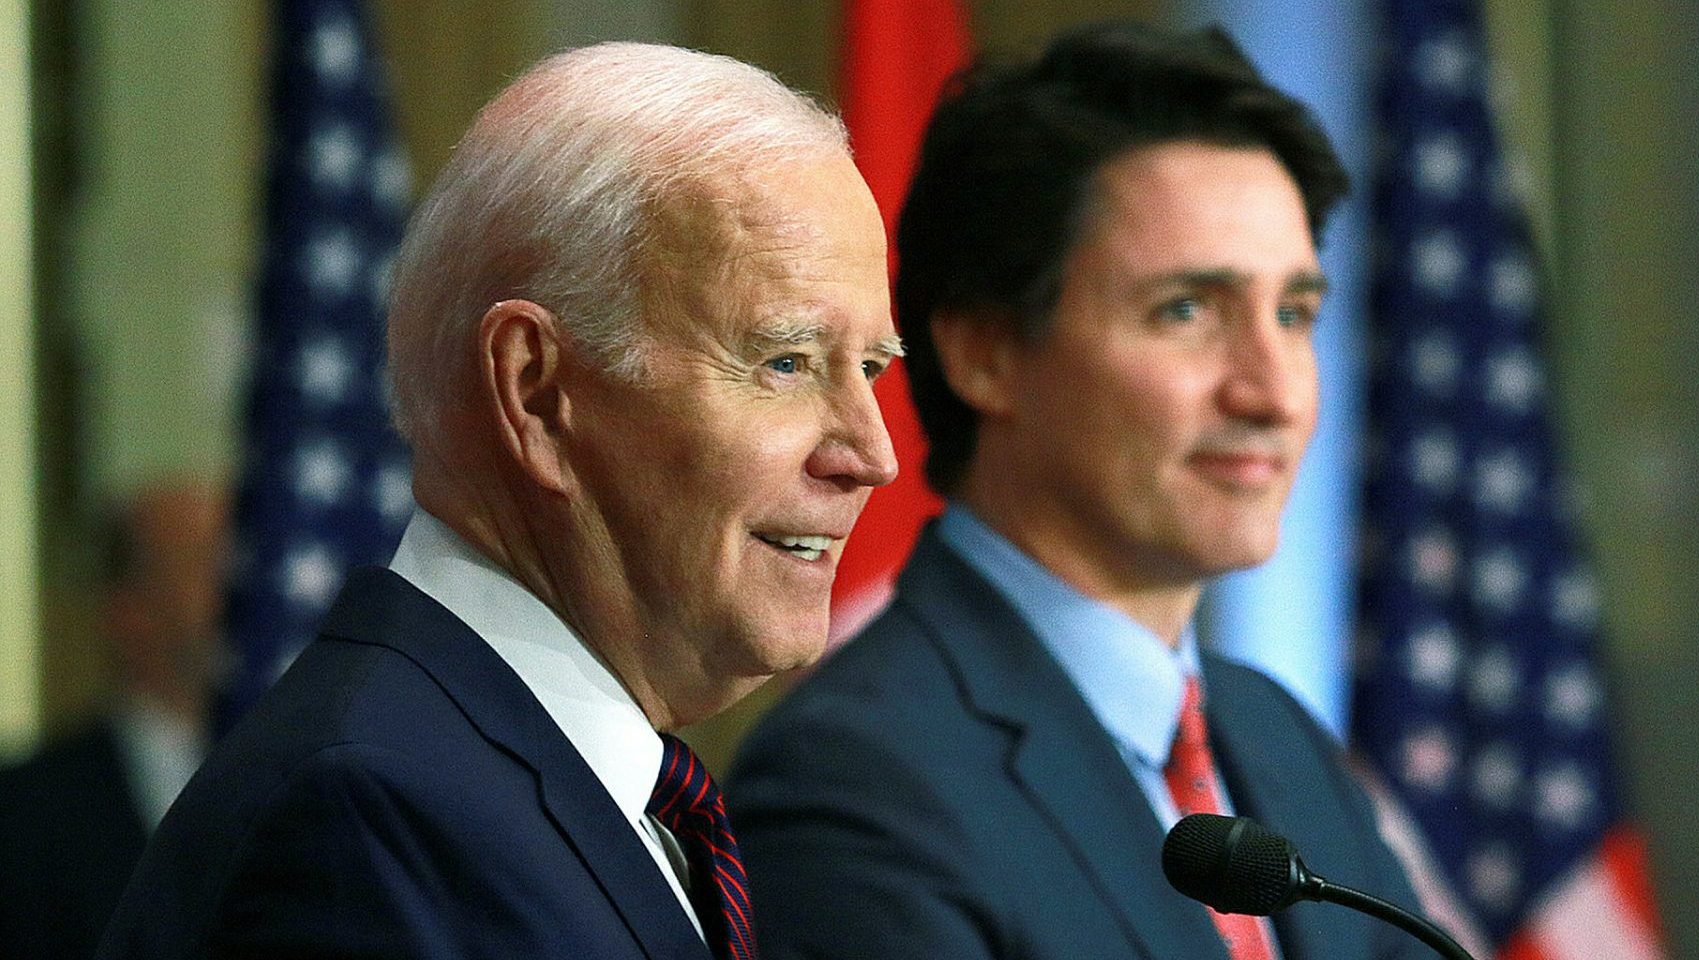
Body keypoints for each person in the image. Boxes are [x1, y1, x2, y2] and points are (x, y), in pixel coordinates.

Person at [98, 41, 899, 959]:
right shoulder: (365, 823)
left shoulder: (522, 782)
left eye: (872, 367)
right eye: (785, 363)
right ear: (536, 393)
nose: (870, 454)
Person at [729, 21, 1423, 960]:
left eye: (1294, 313)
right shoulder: (855, 784)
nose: (1274, 392)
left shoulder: (1277, 737)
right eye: (1186, 310)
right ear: (985, 350)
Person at [0, 483, 224, 960]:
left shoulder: (324, 791)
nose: (248, 578)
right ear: (127, 608)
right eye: (212, 559)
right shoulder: (20, 820)